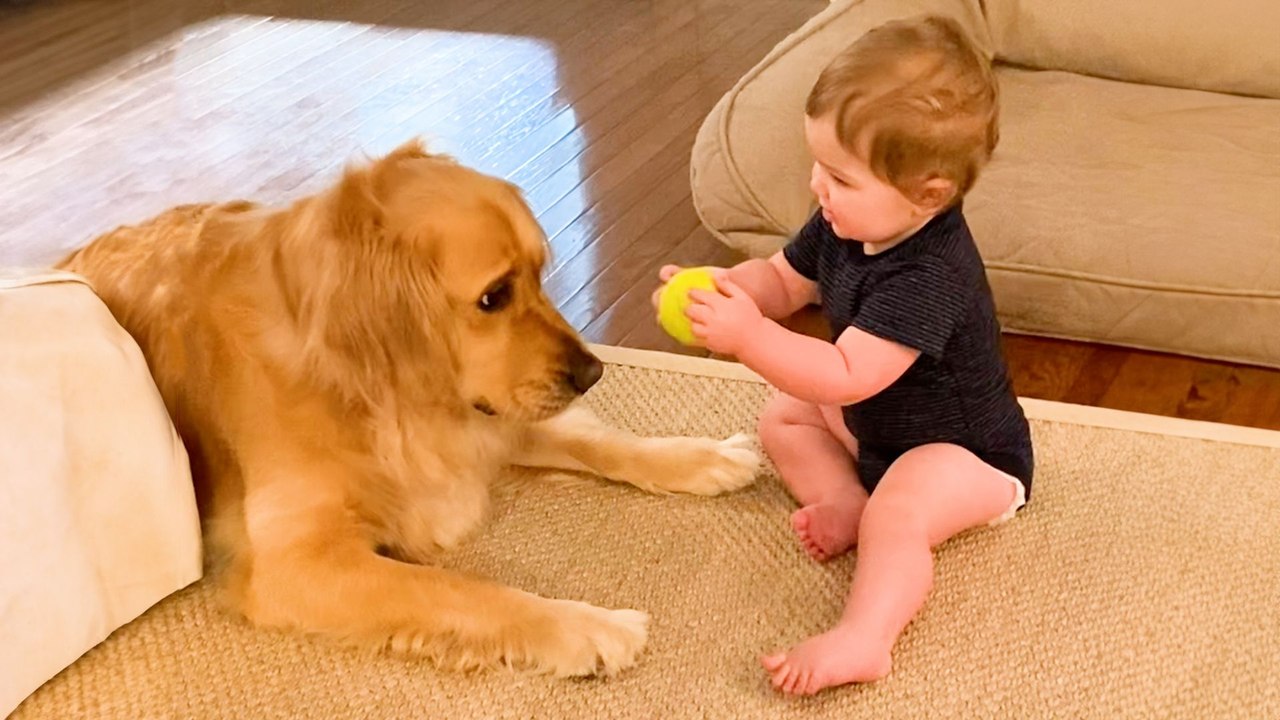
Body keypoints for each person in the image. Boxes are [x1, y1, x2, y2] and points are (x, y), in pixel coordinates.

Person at [654, 15, 1032, 695]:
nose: (818, 187)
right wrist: (730, 290)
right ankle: (844, 498)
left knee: (902, 512)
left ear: (928, 195)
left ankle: (866, 637)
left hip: (964, 455)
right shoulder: (844, 219)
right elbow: (781, 280)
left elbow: (850, 376)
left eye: (840, 176)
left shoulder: (931, 272)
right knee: (785, 417)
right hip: (874, 433)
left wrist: (748, 337)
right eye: (820, 167)